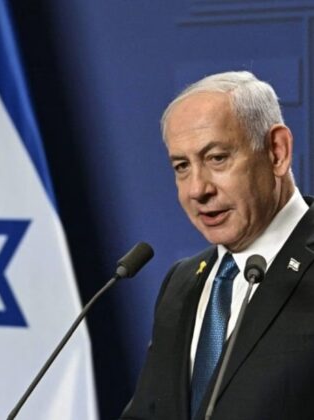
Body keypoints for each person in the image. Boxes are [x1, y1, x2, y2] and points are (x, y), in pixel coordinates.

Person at [121, 71, 314, 419]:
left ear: (276, 152)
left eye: (217, 158)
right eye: (182, 166)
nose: (198, 189)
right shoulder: (181, 283)